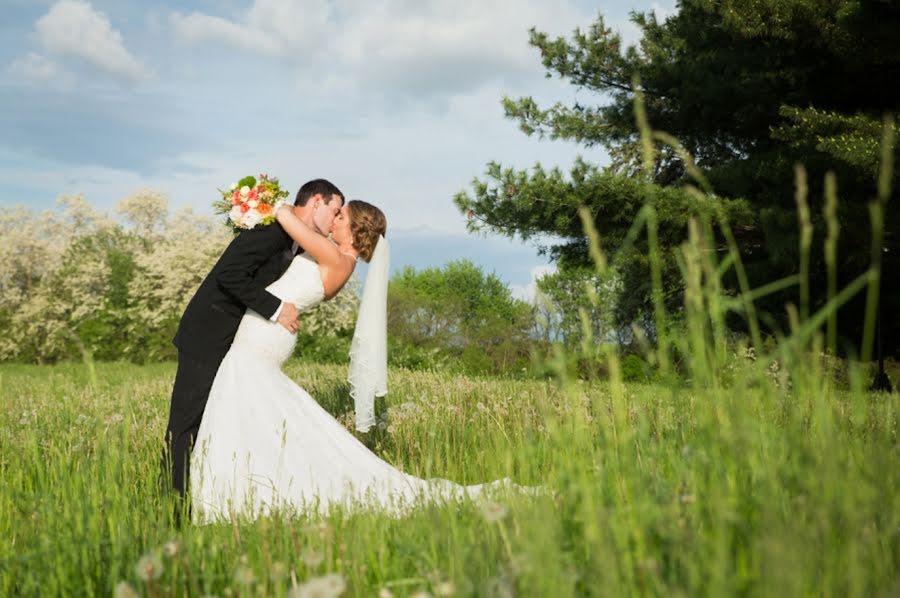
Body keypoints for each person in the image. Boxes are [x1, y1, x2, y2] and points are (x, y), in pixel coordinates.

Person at [190, 201, 515, 522]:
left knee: (250, 405)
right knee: (256, 411)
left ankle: (232, 492)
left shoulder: (338, 258)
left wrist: (270, 202)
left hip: (264, 338)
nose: (335, 219)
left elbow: (289, 221)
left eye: (341, 215)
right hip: (264, 333)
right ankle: (241, 484)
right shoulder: (336, 256)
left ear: (355, 229)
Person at [162, 179, 344, 501]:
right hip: (208, 334)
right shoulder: (270, 231)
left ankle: (209, 497)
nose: (335, 220)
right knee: (187, 423)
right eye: (334, 210)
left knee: (214, 423)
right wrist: (277, 309)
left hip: (233, 341)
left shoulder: (294, 240)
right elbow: (229, 276)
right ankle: (172, 505)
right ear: (317, 201)